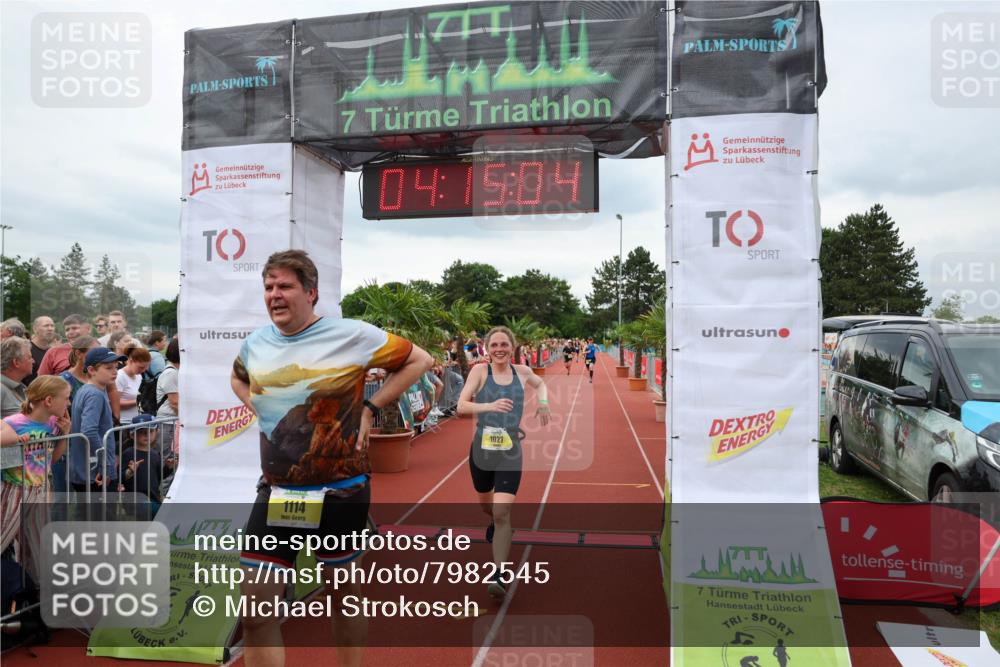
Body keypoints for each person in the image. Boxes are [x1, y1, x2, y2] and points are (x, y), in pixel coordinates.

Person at [229, 250, 433, 667]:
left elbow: (419, 360)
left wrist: (370, 408)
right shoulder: (255, 343)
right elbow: (238, 377)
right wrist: (261, 409)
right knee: (255, 611)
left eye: (284, 286)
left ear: (311, 292)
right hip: (279, 493)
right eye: (268, 288)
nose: (275, 295)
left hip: (341, 492)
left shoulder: (351, 334)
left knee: (343, 597)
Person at [457, 325, 550, 600]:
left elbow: (541, 383)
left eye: (504, 345)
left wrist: (543, 403)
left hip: (510, 449)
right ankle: (499, 525)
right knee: (487, 507)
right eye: (494, 345)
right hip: (482, 450)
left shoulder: (521, 373)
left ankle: (498, 573)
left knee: (501, 512)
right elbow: (461, 406)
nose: (499, 349)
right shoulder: (479, 372)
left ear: (512, 347)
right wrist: (489, 406)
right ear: (487, 348)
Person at [1, 375, 71, 579]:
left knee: (38, 544)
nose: (68, 402)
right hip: (13, 491)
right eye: (66, 398)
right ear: (49, 401)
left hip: (40, 490)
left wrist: (65, 435)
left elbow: (51, 460)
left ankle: (35, 589)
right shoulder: (12, 423)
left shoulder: (54, 424)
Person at [69, 347, 123, 493]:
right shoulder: (94, 395)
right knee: (100, 515)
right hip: (94, 473)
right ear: (91, 370)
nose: (115, 371)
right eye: (108, 368)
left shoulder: (87, 390)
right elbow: (88, 431)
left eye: (116, 367)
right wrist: (104, 464)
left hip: (87, 469)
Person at [120, 413, 170, 513]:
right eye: (141, 432)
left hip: (153, 498)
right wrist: (129, 472)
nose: (146, 435)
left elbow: (159, 476)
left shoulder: (156, 454)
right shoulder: (128, 453)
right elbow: (120, 476)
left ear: (157, 432)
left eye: (150, 431)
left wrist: (169, 467)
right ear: (132, 435)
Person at [116, 346, 151, 423]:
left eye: (146, 368)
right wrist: (139, 401)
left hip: (136, 421)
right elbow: (115, 403)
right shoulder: (120, 376)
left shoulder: (139, 376)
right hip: (123, 422)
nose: (143, 370)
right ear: (131, 361)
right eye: (140, 367)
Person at [1, 337, 33, 418]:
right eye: (29, 357)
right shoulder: (1, 389)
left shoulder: (21, 386)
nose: (33, 361)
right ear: (16, 362)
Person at [25, 315, 58, 385]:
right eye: (46, 326)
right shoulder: (25, 348)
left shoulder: (53, 352)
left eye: (52, 326)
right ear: (35, 329)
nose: (50, 329)